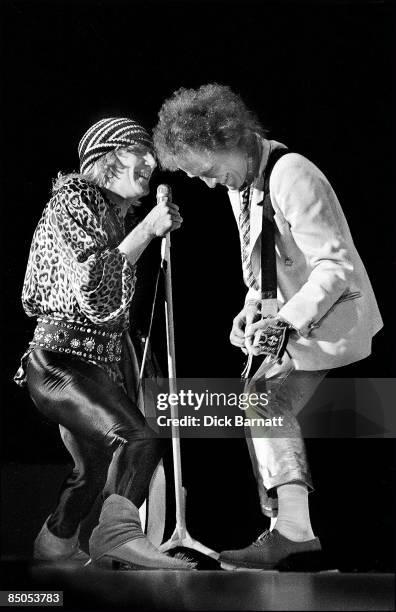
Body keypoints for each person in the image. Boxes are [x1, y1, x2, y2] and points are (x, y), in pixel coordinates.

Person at [153, 84, 383, 569]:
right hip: (297, 318)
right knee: (257, 400)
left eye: (208, 171)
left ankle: (295, 533)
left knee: (263, 399)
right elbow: (269, 263)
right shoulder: (246, 182)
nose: (210, 184)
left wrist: (284, 320)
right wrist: (252, 307)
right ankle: (287, 528)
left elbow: (334, 267)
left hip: (331, 316)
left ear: (226, 139)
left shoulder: (293, 174)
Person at [14, 116, 194, 570]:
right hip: (59, 363)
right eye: (140, 150)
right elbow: (97, 291)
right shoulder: (73, 199)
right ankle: (116, 536)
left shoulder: (111, 217)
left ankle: (55, 544)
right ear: (106, 157)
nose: (153, 161)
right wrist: (148, 231)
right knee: (137, 439)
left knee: (92, 466)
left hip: (93, 366)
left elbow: (110, 302)